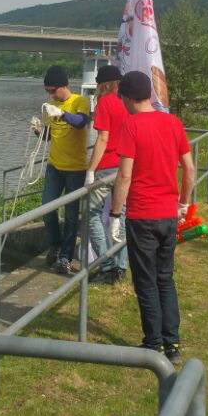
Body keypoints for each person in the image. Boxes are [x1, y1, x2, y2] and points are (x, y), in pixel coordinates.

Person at [110, 70, 196, 364]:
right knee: (165, 279)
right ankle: (173, 343)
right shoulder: (173, 122)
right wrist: (183, 203)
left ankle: (153, 343)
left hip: (142, 215)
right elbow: (189, 168)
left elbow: (124, 176)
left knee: (145, 281)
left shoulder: (130, 126)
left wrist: (114, 213)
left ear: (127, 97)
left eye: (121, 97)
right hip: (168, 215)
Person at [37, 65, 91, 275]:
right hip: (54, 166)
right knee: (47, 209)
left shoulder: (80, 101)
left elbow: (80, 122)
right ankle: (56, 245)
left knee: (71, 216)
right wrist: (38, 131)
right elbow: (49, 136)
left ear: (63, 86)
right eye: (47, 92)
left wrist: (62, 113)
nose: (50, 95)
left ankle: (65, 257)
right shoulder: (50, 106)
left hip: (75, 169)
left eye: (52, 91)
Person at [83, 65, 129, 284]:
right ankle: (121, 266)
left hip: (107, 166)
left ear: (104, 85)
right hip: (126, 165)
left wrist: (90, 170)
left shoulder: (105, 102)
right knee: (120, 216)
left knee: (91, 213)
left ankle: (106, 265)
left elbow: (103, 138)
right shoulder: (129, 102)